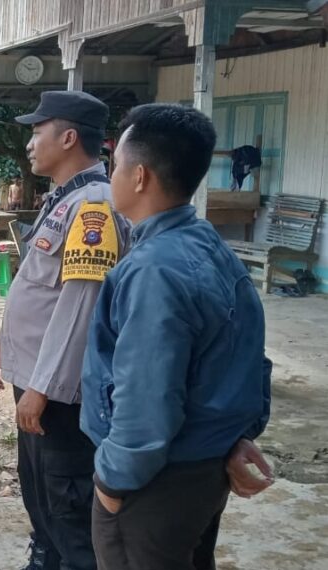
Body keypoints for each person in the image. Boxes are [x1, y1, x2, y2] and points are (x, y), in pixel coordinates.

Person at [81, 103, 273, 570]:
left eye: (115, 166)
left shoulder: (154, 271)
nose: (111, 178)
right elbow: (247, 358)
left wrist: (111, 484)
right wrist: (235, 434)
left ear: (140, 176)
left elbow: (147, 395)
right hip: (202, 468)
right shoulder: (207, 245)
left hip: (155, 481)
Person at [0, 90, 130, 570]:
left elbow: (79, 308)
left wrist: (41, 388)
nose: (30, 141)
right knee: (38, 485)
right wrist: (0, 346)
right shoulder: (62, 199)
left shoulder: (92, 207)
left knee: (68, 499)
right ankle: (44, 558)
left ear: (68, 138)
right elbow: (35, 289)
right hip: (37, 376)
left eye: (37, 130)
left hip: (61, 390)